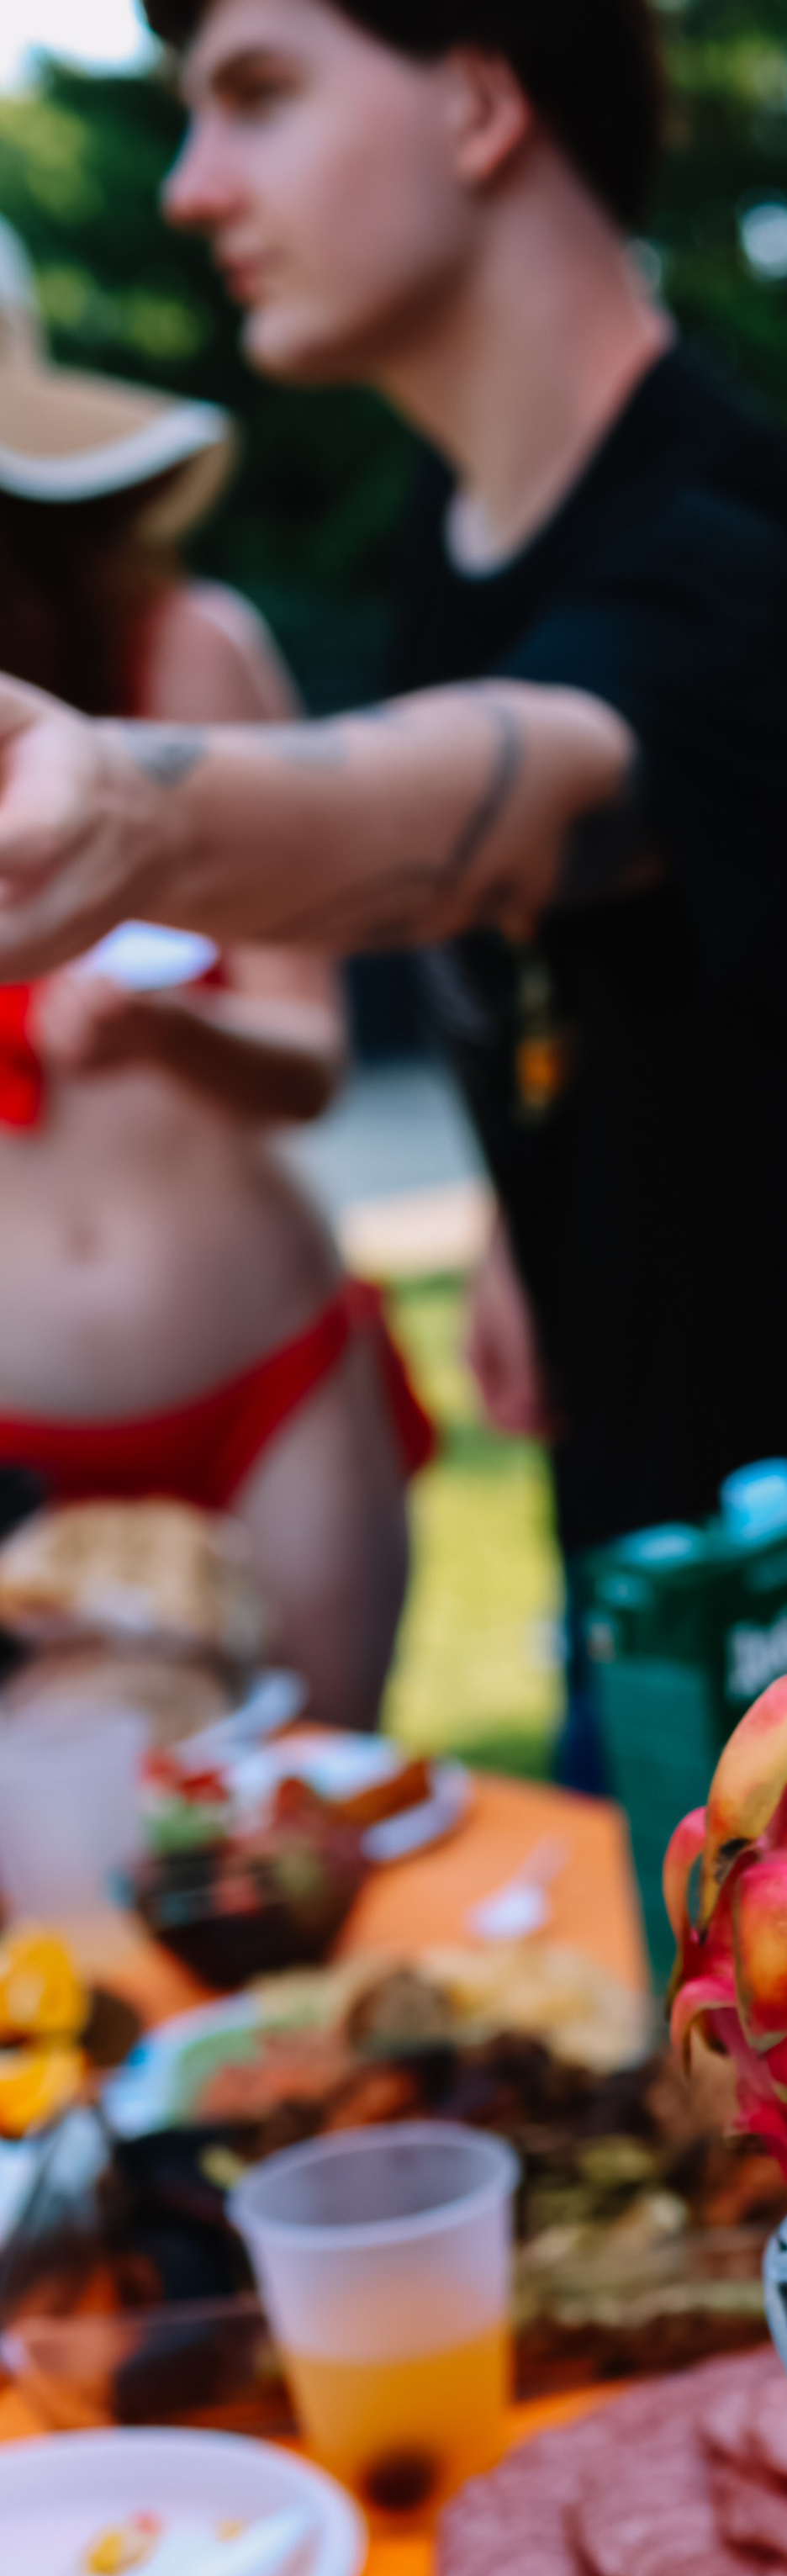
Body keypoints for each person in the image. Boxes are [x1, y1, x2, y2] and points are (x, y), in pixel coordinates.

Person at [0, 0, 787, 1764]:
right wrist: (523, 1223)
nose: (188, 188)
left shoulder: (739, 544)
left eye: (256, 96)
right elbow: (577, 960)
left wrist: (134, 811)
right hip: (635, 1535)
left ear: (474, 100)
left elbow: (527, 789)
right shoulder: (455, 542)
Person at [0, 218, 417, 1727]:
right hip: (17, 1461)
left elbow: (310, 1059)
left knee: (318, 1843)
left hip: (268, 1386)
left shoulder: (187, 657)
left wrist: (177, 1034)